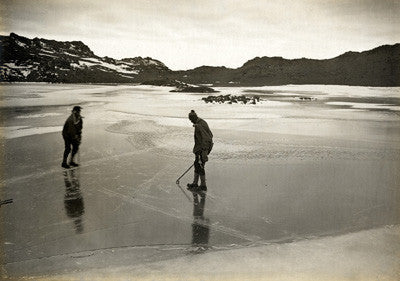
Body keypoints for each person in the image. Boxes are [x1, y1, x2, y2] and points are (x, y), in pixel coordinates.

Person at [187, 110, 213, 191]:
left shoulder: (200, 125)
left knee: (200, 166)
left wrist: (203, 151)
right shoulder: (201, 123)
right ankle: (195, 183)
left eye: (191, 120)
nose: (191, 121)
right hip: (200, 148)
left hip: (202, 149)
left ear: (194, 117)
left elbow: (207, 138)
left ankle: (203, 186)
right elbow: (210, 134)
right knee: (197, 165)